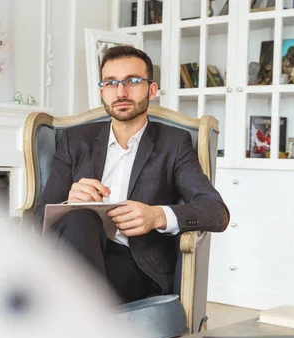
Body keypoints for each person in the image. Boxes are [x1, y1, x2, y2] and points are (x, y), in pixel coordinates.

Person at [35, 46, 229, 304]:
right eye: (111, 83)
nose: (121, 92)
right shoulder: (75, 141)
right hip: (72, 252)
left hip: (134, 265)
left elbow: (217, 212)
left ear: (151, 89)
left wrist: (157, 216)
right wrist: (67, 204)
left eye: (133, 81)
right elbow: (39, 219)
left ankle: (74, 321)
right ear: (102, 91)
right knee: (80, 218)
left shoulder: (173, 143)